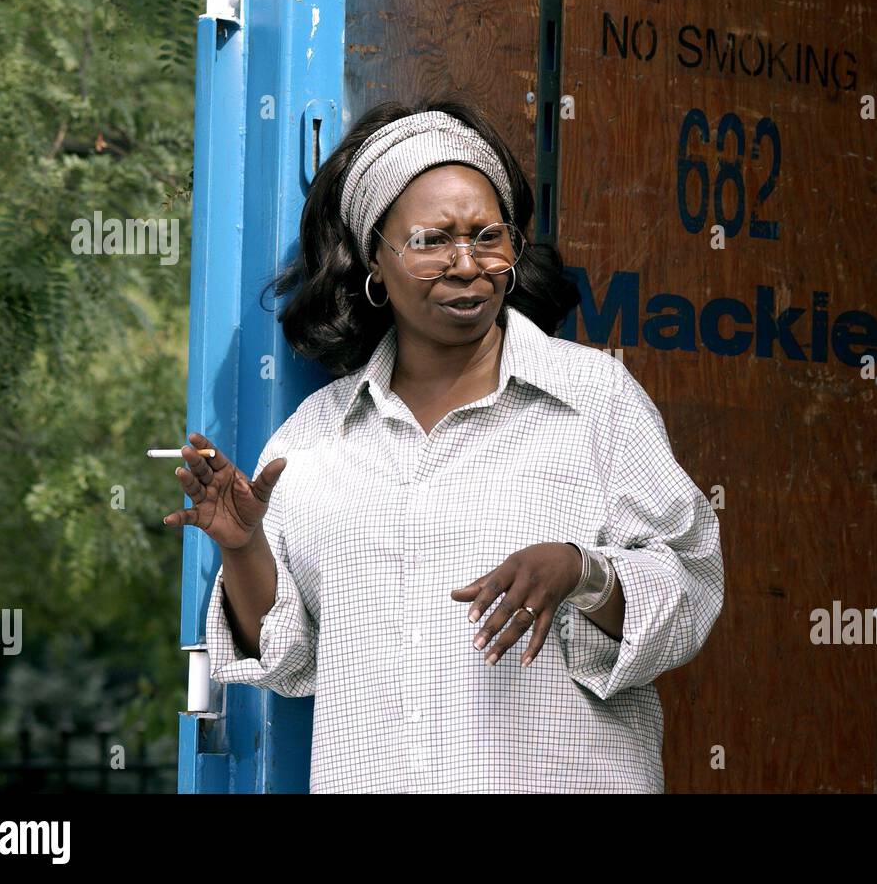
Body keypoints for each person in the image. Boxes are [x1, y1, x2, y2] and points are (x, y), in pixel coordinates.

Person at [163, 95, 724, 793]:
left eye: (487, 236)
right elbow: (281, 656)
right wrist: (243, 547)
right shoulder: (315, 437)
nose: (468, 263)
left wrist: (585, 572)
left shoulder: (595, 400)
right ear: (375, 258)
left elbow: (692, 583)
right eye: (432, 241)